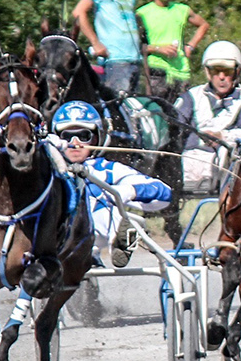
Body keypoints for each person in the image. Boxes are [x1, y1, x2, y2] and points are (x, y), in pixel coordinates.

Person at [50, 101, 172, 267]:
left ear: (96, 138)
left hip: (90, 243)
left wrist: (126, 192)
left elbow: (163, 192)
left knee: (92, 191)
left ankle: (119, 236)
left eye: (83, 136)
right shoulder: (44, 170)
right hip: (47, 241)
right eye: (66, 136)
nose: (75, 143)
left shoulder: (106, 169)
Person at [175, 40, 241, 194]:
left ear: (237, 72)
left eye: (227, 72)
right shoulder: (191, 97)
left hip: (228, 163)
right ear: (207, 72)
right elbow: (176, 127)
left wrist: (221, 137)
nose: (221, 77)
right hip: (190, 159)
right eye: (215, 71)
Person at [73, 0, 141, 95]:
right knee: (120, 108)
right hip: (115, 59)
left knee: (135, 110)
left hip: (134, 58)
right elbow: (78, 12)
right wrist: (96, 43)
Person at [135, 0, 208, 104]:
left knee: (182, 115)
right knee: (159, 114)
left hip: (181, 71)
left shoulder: (182, 10)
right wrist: (158, 48)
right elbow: (136, 46)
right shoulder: (142, 13)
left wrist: (190, 46)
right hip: (157, 71)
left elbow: (203, 25)